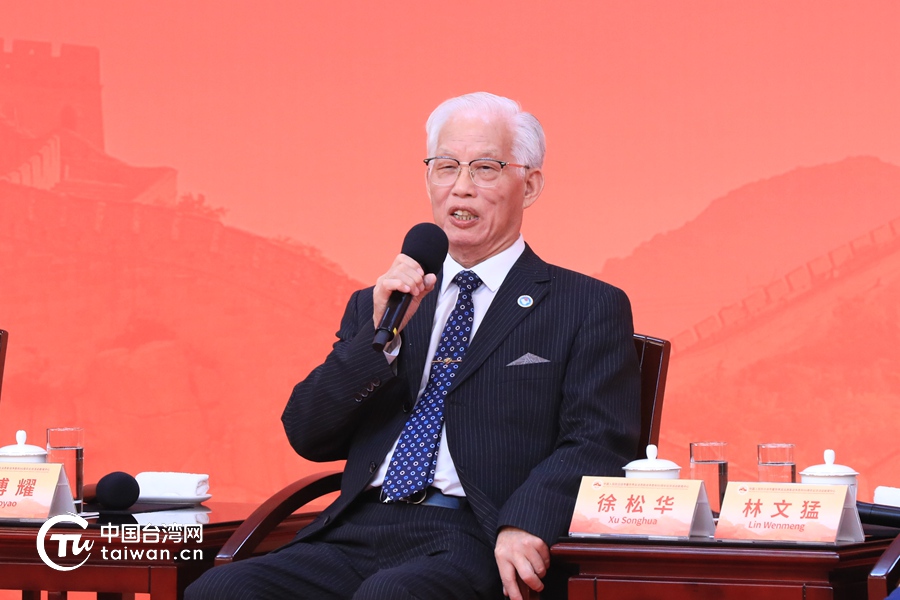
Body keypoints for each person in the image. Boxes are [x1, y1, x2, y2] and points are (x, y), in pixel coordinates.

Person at [186, 92, 641, 600]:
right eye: (445, 167)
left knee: (391, 596)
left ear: (529, 185)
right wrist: (377, 340)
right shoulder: (384, 303)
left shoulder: (584, 305)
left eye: (485, 168)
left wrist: (527, 521)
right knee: (220, 590)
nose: (461, 187)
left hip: (475, 534)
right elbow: (307, 434)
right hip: (357, 526)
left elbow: (598, 440)